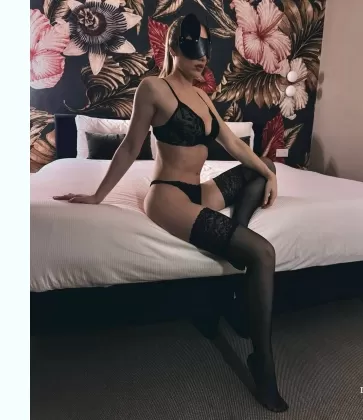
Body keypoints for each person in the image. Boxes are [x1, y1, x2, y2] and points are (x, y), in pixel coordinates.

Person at [53, 13, 288, 413]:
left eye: (206, 48)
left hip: (200, 191)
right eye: (194, 47)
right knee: (263, 252)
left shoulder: (203, 97)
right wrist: (97, 196)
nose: (203, 57)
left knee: (262, 166)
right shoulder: (154, 88)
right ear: (174, 47)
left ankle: (236, 236)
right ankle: (262, 364)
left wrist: (269, 173)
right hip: (167, 196)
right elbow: (130, 147)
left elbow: (234, 144)